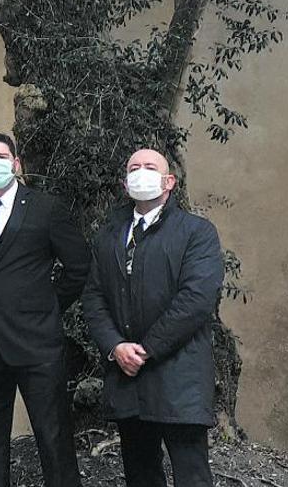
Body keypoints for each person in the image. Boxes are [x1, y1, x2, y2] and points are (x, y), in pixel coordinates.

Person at [0, 132, 89, 487]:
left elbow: (79, 266)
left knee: (53, 438)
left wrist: (45, 305)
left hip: (37, 345)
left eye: (2, 155)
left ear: (16, 163)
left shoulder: (46, 208)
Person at [82, 149, 223, 486]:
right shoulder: (110, 234)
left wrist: (145, 350)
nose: (140, 172)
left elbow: (196, 300)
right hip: (129, 381)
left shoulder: (196, 232)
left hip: (180, 379)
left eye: (149, 167)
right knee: (141, 474)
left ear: (169, 181)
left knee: (191, 475)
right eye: (134, 167)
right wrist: (116, 346)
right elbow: (94, 296)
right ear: (124, 182)